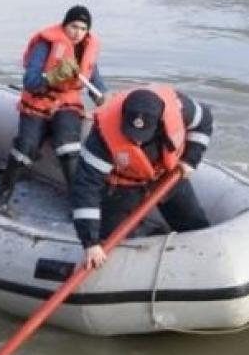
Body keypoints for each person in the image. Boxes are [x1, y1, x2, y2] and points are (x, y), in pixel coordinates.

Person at [70, 85, 213, 269]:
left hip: (166, 175)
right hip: (123, 183)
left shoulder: (181, 108)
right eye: (131, 133)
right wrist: (90, 243)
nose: (136, 140)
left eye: (141, 135)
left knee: (195, 224)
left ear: (159, 123)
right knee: (110, 239)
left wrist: (190, 160)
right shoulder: (102, 135)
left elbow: (205, 121)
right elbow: (86, 187)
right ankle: (146, 235)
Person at [0, 5, 109, 209]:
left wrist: (102, 97)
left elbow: (95, 81)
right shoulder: (46, 45)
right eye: (74, 27)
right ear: (64, 25)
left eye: (83, 29)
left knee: (68, 147)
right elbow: (30, 81)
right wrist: (52, 76)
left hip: (67, 104)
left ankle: (78, 203)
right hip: (38, 101)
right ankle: (3, 195)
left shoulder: (86, 48)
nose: (78, 33)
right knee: (25, 148)